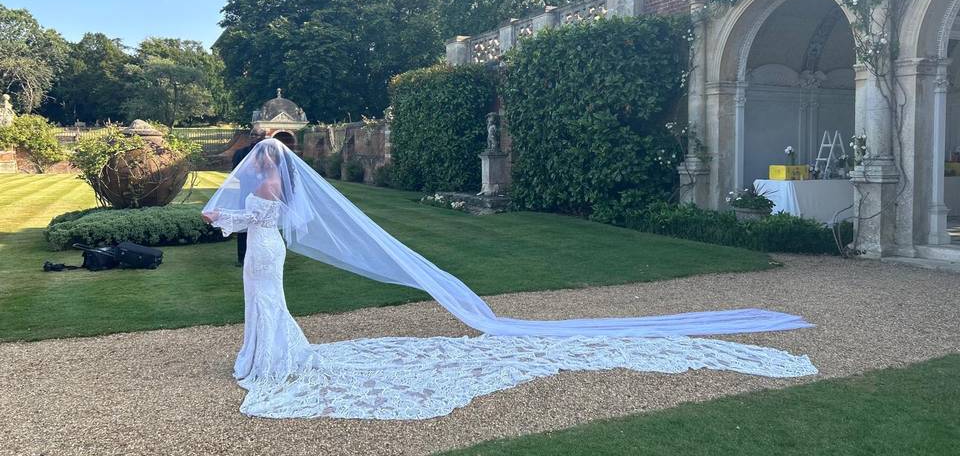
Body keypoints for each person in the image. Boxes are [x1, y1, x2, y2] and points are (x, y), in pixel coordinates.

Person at [203, 139, 817, 420]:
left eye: (261, 158)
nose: (259, 164)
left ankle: (271, 360)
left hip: (265, 252)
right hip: (268, 252)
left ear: (266, 163)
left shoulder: (266, 187)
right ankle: (269, 356)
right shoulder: (274, 186)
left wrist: (223, 212)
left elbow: (239, 220)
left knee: (267, 302)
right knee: (267, 303)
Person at [229, 128, 266, 266]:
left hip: (264, 194)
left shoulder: (268, 154)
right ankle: (242, 257)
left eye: (257, 135)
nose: (254, 137)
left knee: (261, 225)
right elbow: (235, 173)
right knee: (243, 224)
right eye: (252, 134)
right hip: (245, 193)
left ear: (263, 137)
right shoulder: (240, 153)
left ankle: (260, 255)